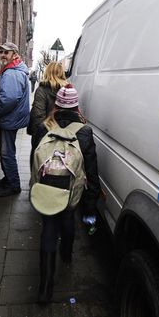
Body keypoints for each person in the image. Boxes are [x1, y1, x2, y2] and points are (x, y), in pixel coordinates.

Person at [31, 84, 100, 303]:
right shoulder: (85, 132)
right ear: (76, 105)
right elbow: (91, 170)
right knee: (68, 218)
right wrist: (91, 203)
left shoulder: (44, 127)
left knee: (48, 229)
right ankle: (67, 254)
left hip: (47, 185)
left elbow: (34, 157)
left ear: (57, 105)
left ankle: (44, 288)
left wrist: (34, 185)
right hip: (69, 189)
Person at [0, 42, 30, 197]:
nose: (2, 55)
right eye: (1, 52)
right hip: (12, 118)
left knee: (7, 153)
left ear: (14, 54)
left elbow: (8, 99)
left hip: (10, 119)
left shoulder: (12, 73)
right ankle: (8, 179)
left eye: (6, 53)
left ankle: (14, 185)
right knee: (6, 151)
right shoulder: (13, 69)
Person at [27, 62, 68, 151]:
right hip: (64, 138)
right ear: (61, 73)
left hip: (43, 139)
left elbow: (38, 117)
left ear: (47, 72)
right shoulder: (68, 91)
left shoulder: (42, 90)